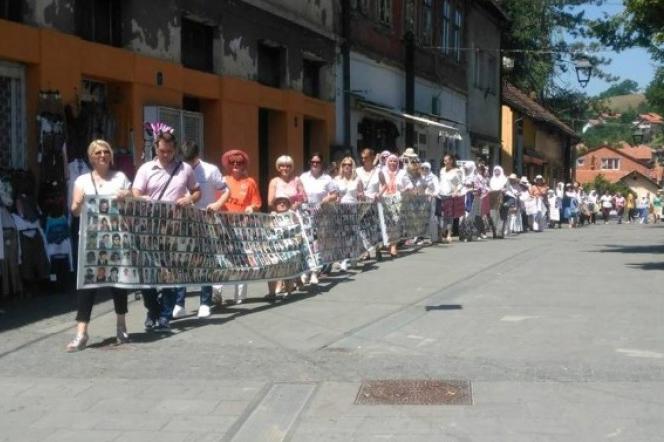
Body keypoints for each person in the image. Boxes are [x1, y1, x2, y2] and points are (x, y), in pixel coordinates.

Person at [133, 122, 201, 331]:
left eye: (170, 151)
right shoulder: (146, 169)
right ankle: (152, 309)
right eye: (162, 151)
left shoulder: (185, 169)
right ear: (156, 148)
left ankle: (164, 315)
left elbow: (197, 191)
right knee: (147, 276)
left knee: (171, 274)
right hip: (149, 229)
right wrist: (143, 199)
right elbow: (135, 193)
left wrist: (189, 200)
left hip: (175, 229)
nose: (166, 155)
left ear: (175, 150)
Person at [67, 139, 132, 352]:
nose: (102, 155)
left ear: (110, 155)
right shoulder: (82, 180)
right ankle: (81, 333)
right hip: (91, 241)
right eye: (97, 153)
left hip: (116, 239)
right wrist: (77, 204)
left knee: (118, 283)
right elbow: (75, 211)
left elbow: (134, 201)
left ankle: (121, 325)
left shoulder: (120, 177)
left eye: (105, 152)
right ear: (91, 157)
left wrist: (127, 195)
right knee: (87, 287)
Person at [177, 140, 229, 319]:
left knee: (206, 260)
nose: (188, 163)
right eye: (185, 160)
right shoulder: (178, 169)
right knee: (182, 261)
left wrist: (217, 203)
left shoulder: (210, 169)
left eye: (191, 159)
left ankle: (205, 302)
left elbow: (225, 190)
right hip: (184, 219)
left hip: (206, 219)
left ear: (197, 156)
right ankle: (179, 303)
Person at [220, 149, 262, 303]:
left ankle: (240, 295)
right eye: (232, 162)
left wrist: (252, 207)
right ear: (228, 165)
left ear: (244, 165)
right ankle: (217, 292)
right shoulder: (222, 180)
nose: (236, 165)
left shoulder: (250, 182)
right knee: (222, 258)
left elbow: (256, 202)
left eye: (239, 162)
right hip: (223, 225)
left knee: (242, 259)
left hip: (242, 226)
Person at [300, 153, 338, 284]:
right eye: (312, 162)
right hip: (305, 214)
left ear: (322, 164)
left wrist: (325, 200)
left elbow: (334, 195)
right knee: (306, 242)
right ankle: (306, 270)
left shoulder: (327, 178)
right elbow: (299, 193)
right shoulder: (303, 177)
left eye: (317, 162)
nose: (315, 164)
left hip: (321, 214)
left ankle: (315, 272)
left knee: (317, 244)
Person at [378, 153, 411, 256]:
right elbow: (379, 184)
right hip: (384, 199)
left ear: (398, 163)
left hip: (397, 199)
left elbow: (410, 184)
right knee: (385, 223)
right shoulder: (382, 172)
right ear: (387, 162)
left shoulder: (402, 173)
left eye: (395, 161)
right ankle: (387, 242)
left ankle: (393, 246)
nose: (392, 163)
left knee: (394, 223)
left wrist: (405, 189)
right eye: (391, 161)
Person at [335, 156, 364, 270]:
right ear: (341, 166)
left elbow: (361, 195)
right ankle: (344, 259)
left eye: (349, 165)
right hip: (339, 209)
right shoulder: (337, 179)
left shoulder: (357, 179)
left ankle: (351, 256)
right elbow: (333, 194)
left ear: (353, 167)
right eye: (344, 165)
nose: (347, 167)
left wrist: (361, 197)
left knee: (351, 235)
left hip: (353, 208)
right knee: (341, 235)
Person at [437, 153, 464, 243]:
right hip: (441, 194)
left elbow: (460, 183)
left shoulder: (456, 171)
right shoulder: (442, 170)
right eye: (444, 160)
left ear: (451, 161)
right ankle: (441, 233)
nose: (445, 162)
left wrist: (456, 191)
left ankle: (448, 234)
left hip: (450, 195)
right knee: (441, 216)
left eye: (446, 160)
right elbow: (440, 182)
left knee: (449, 216)